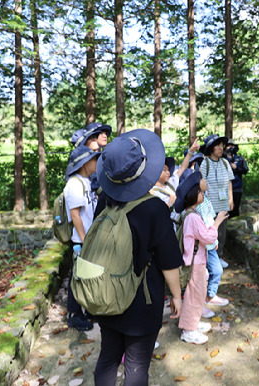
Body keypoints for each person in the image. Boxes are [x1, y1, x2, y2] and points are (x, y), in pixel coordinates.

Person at [92, 129, 183, 385]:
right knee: (136, 365)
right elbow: (168, 262)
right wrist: (177, 296)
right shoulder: (154, 208)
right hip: (142, 301)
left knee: (108, 357)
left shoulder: (104, 201)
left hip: (106, 293)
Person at [174, 171, 229, 344]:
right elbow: (207, 237)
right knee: (194, 295)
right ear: (192, 196)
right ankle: (189, 330)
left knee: (196, 294)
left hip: (197, 261)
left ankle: (193, 323)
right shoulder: (193, 218)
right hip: (195, 263)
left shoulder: (191, 215)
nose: (202, 193)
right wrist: (217, 223)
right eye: (199, 192)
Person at [63, 146, 100, 331]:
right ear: (84, 163)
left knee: (87, 275)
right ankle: (74, 315)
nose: (96, 163)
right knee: (76, 277)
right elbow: (75, 214)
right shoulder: (74, 184)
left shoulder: (85, 181)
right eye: (94, 160)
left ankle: (87, 310)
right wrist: (84, 238)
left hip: (88, 238)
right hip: (81, 239)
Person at [201, 134, 234, 270]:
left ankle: (218, 257)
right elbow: (201, 184)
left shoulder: (226, 163)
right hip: (209, 206)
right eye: (217, 145)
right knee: (209, 232)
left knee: (222, 233)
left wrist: (231, 199)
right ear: (211, 148)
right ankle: (209, 259)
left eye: (222, 145)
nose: (221, 148)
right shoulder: (205, 164)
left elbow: (229, 182)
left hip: (223, 204)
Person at [70, 122, 112, 192]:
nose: (105, 136)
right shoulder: (79, 162)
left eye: (106, 133)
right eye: (99, 134)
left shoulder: (104, 156)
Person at [223, 139, 248, 218]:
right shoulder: (222, 159)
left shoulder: (240, 159)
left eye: (232, 146)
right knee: (226, 210)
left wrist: (236, 168)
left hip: (237, 188)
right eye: (228, 146)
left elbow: (245, 170)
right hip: (225, 189)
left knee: (235, 209)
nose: (230, 148)